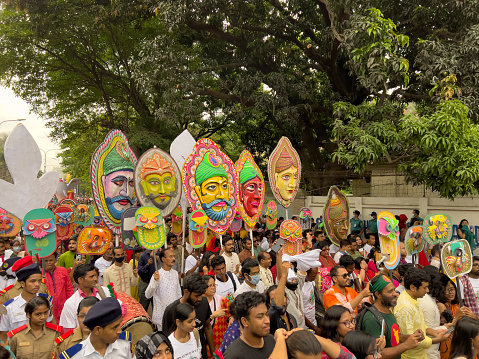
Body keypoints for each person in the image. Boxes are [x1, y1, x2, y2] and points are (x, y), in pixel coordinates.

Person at [361, 274, 423, 359]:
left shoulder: (388, 311)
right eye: (390, 291)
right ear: (378, 295)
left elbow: (393, 337)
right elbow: (377, 353)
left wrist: (411, 338)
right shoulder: (371, 319)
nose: (395, 294)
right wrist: (406, 345)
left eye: (394, 290)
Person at [394, 267, 450, 359]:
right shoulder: (405, 307)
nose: (427, 291)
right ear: (412, 287)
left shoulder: (413, 299)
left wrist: (434, 332)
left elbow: (420, 325)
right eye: (424, 288)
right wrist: (437, 340)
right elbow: (411, 340)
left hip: (421, 354)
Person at [57, 297, 133, 359]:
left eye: (119, 324)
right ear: (97, 330)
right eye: (114, 327)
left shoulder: (124, 344)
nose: (120, 331)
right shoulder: (75, 356)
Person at [0, 258, 54, 342]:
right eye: (32, 281)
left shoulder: (46, 301)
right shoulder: (9, 308)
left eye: (39, 281)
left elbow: (51, 325)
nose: (37, 285)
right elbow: (3, 334)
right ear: (22, 283)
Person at [162, 273, 214, 359]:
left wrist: (212, 353)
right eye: (197, 296)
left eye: (201, 295)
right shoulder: (171, 310)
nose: (200, 299)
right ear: (186, 292)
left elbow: (207, 326)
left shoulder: (204, 302)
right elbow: (165, 341)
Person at [59, 263, 113, 331]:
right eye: (91, 276)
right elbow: (68, 330)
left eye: (96, 275)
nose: (95, 279)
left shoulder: (105, 292)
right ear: (80, 280)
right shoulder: (70, 303)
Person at [224, 291, 275, 359]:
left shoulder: (272, 340)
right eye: (260, 317)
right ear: (245, 321)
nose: (267, 321)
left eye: (267, 314)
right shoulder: (234, 355)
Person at [145, 248, 182, 329]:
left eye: (173, 256)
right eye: (171, 256)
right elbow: (147, 295)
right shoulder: (157, 275)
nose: (173, 259)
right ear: (163, 259)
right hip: (161, 316)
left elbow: (179, 293)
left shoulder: (175, 273)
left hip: (174, 315)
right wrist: (155, 281)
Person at [42, 251, 74, 323]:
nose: (48, 263)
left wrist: (69, 304)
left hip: (63, 307)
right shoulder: (39, 273)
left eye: (51, 260)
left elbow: (69, 288)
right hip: (47, 309)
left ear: (56, 260)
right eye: (46, 261)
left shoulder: (62, 270)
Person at [204, 275, 230, 355]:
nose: (213, 287)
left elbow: (231, 316)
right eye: (210, 286)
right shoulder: (198, 303)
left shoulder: (223, 301)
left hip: (221, 342)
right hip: (205, 344)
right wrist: (212, 316)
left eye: (214, 285)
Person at [303, 267, 319, 333]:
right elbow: (299, 312)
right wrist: (315, 328)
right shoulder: (300, 287)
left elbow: (317, 290)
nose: (315, 278)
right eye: (313, 276)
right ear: (306, 273)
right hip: (305, 326)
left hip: (313, 321)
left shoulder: (311, 281)